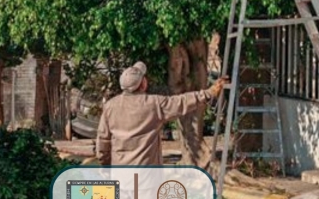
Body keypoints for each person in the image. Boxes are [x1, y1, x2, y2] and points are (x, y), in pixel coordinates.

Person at [96, 62, 227, 166]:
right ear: (143, 84)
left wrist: (107, 164)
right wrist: (209, 93)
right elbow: (181, 102)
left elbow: (103, 142)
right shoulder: (153, 104)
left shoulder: (110, 107)